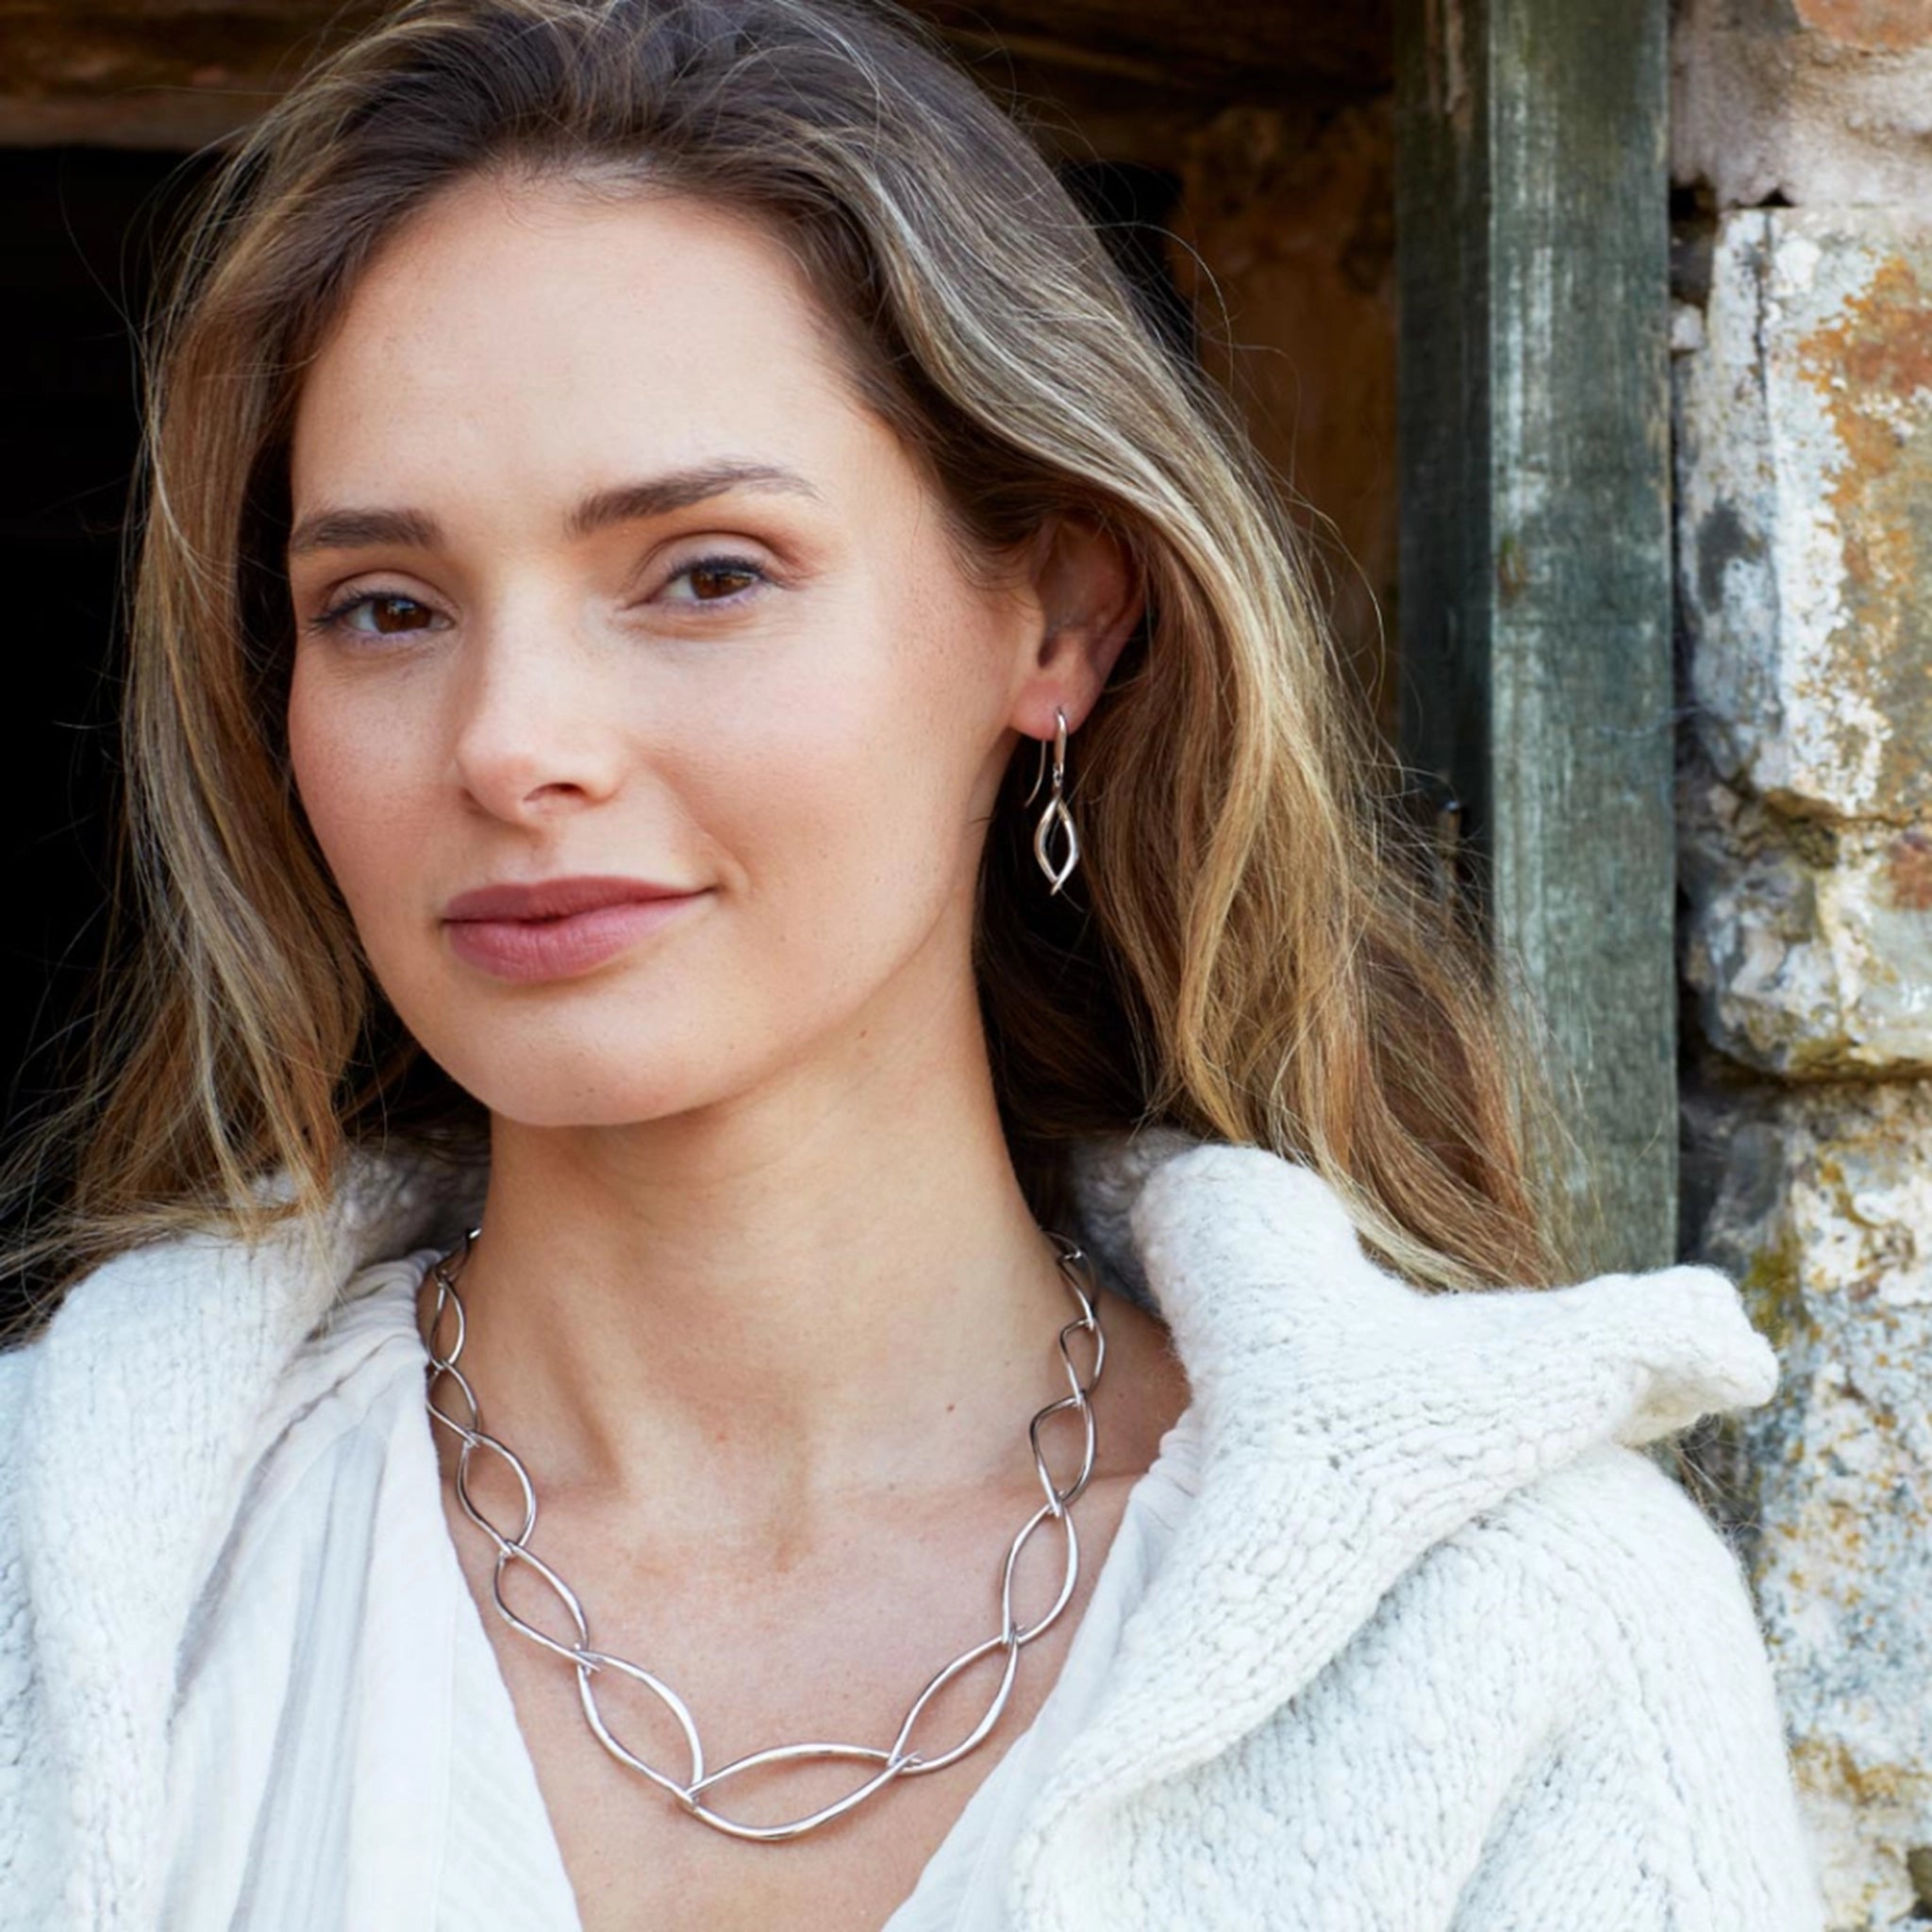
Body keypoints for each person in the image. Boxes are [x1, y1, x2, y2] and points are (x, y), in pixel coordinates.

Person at [0, 0, 1826, 1924]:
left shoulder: (1508, 1634)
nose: (508, 738)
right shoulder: (74, 1572)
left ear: (1054, 623)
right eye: (383, 607)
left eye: (706, 570)